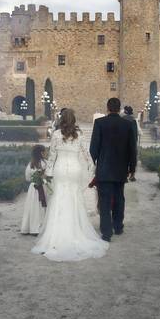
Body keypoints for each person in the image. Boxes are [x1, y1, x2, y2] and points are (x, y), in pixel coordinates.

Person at [32, 109, 108, 261]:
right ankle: (75, 231)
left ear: (61, 120)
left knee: (59, 198)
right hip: (74, 169)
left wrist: (48, 173)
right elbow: (87, 155)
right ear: (74, 120)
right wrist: (91, 168)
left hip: (60, 168)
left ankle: (56, 235)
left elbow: (52, 156)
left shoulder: (56, 135)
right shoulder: (79, 135)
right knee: (74, 198)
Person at [90, 97, 138, 242]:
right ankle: (118, 226)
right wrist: (132, 167)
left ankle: (106, 232)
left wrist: (93, 165)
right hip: (120, 168)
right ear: (119, 108)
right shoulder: (128, 124)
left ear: (107, 108)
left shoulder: (99, 123)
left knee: (104, 201)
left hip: (104, 168)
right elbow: (132, 148)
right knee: (119, 198)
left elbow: (94, 148)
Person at [20, 145, 48, 235]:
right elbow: (48, 176)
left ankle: (30, 227)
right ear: (41, 153)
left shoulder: (30, 164)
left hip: (33, 188)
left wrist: (34, 180)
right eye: (44, 152)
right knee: (40, 207)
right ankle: (39, 227)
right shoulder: (46, 163)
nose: (46, 153)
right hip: (42, 187)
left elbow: (27, 178)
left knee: (32, 207)